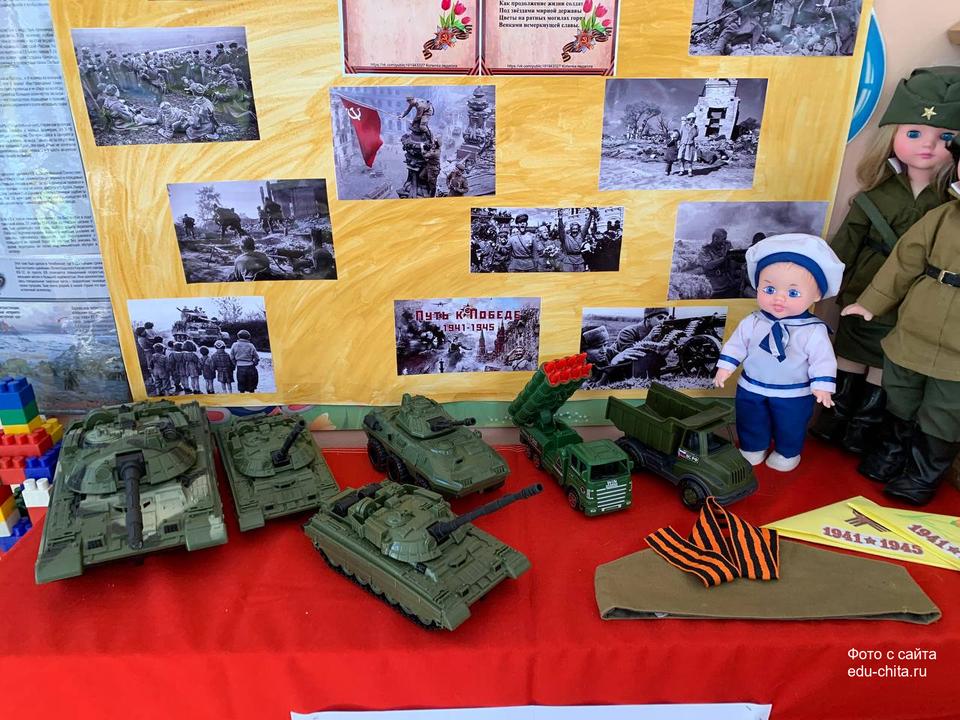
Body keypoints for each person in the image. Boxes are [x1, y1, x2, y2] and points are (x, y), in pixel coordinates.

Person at [811, 67, 960, 454]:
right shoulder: (877, 194)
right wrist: (820, 286)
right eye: (913, 133)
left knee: (887, 365)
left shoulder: (948, 206)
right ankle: (833, 418)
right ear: (892, 136)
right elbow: (846, 245)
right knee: (848, 355)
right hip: (862, 289)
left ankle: (863, 431)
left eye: (945, 137)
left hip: (912, 303)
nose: (927, 146)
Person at [839, 135, 960, 505]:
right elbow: (905, 260)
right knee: (900, 393)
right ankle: (890, 454)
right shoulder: (943, 216)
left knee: (943, 410)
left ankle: (921, 476)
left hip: (956, 349)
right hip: (917, 323)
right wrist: (871, 302)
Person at [714, 234, 845, 472]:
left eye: (793, 293)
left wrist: (822, 385)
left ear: (816, 295)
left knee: (791, 424)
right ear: (757, 287)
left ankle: (787, 452)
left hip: (793, 392)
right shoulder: (753, 321)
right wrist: (725, 367)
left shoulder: (813, 330)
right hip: (752, 386)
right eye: (769, 289)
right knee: (750, 419)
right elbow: (737, 344)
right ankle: (753, 447)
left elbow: (823, 360)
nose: (779, 298)